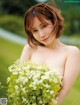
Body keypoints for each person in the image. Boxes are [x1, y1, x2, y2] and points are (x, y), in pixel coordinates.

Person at [20, 2, 80, 105]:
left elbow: (65, 90)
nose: (41, 34)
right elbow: (20, 81)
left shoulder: (71, 52)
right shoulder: (30, 48)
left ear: (54, 21)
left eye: (44, 26)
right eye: (35, 30)